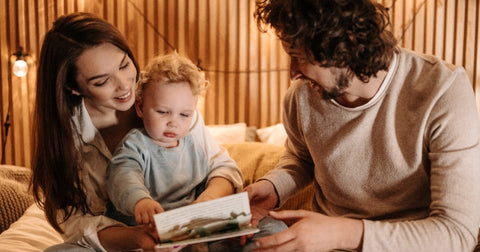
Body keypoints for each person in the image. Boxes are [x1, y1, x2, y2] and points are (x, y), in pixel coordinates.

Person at [243, 0, 480, 251]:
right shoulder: (300, 97)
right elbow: (302, 158)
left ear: (349, 43)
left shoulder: (443, 90)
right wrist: (274, 187)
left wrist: (340, 234)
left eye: (299, 58)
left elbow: (456, 233)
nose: (293, 73)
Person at [30, 12, 236, 251]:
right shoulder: (67, 140)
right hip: (127, 243)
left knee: (268, 228)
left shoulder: (169, 100)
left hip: (191, 230)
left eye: (124, 64)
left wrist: (206, 205)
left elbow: (221, 167)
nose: (125, 84)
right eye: (101, 81)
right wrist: (139, 236)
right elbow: (78, 226)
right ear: (72, 88)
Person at [105, 52, 243, 227]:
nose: (173, 123)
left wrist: (207, 200)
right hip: (149, 227)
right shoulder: (135, 145)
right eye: (163, 112)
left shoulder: (195, 142)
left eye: (185, 115)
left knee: (267, 226)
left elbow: (225, 168)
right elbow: (122, 176)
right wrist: (140, 201)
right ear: (140, 107)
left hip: (191, 225)